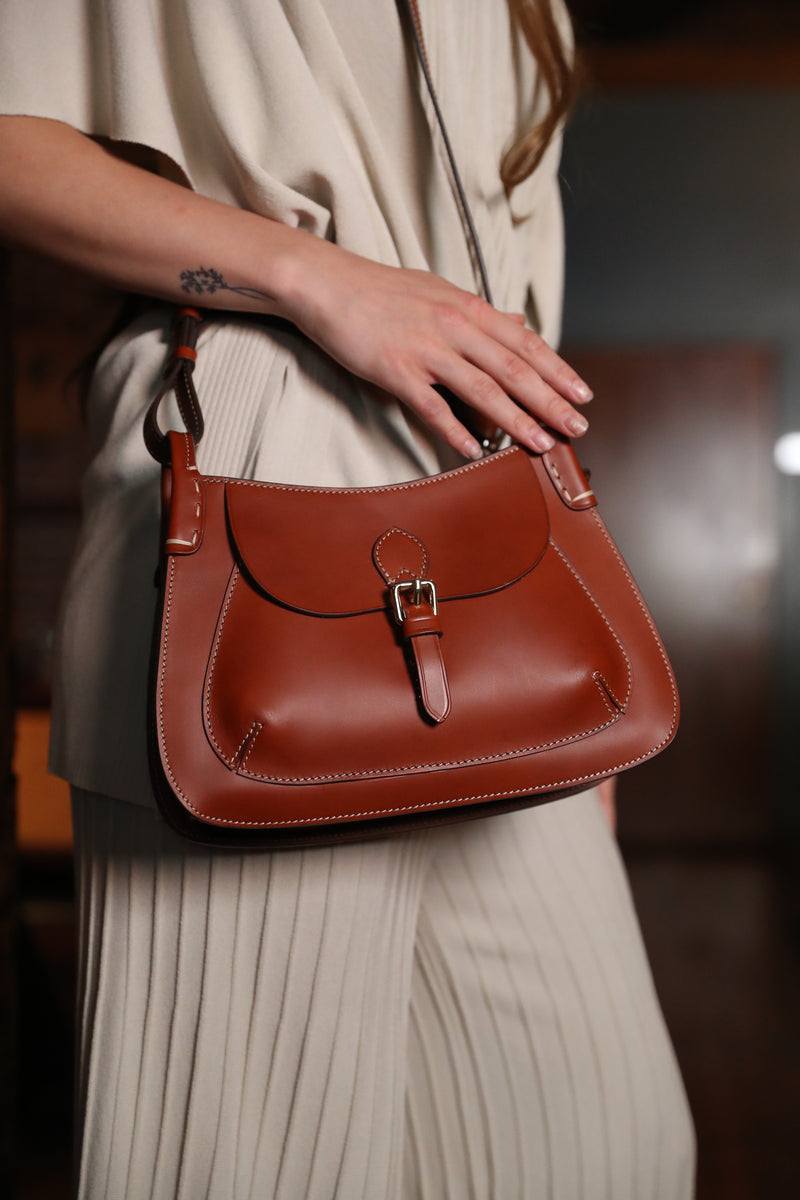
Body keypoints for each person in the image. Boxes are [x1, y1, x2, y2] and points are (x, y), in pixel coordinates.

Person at [0, 1, 695, 1196]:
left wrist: (573, 629)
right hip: (248, 463)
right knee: (246, 1166)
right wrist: (318, 278)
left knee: (605, 1146)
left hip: (487, 533)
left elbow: (515, 325)